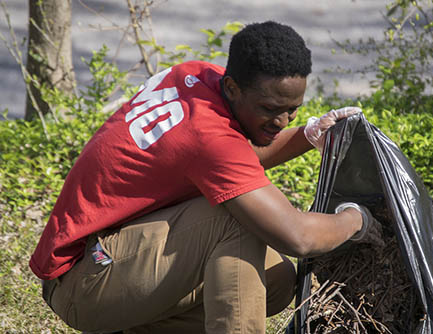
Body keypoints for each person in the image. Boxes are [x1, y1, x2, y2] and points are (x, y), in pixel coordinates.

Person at [30, 21, 380, 334]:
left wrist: (308, 133)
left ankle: (140, 326)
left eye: (293, 110)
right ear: (232, 88)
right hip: (84, 282)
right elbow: (297, 237)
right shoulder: (207, 137)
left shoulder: (195, 76)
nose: (283, 121)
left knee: (277, 281)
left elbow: (231, 160)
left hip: (114, 256)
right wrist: (356, 219)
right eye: (270, 110)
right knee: (236, 222)